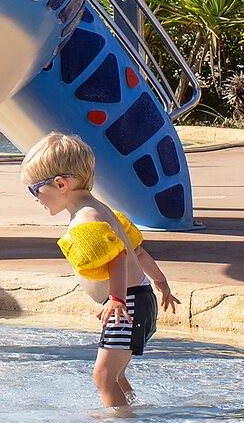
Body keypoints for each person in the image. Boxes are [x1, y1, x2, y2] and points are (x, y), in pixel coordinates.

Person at [20, 132, 180, 409]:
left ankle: (117, 417)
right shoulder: (102, 210)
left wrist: (116, 298)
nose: (35, 198)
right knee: (114, 375)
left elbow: (117, 257)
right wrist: (161, 282)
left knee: (103, 376)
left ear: (60, 184)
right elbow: (137, 251)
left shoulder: (86, 220)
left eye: (35, 190)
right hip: (137, 298)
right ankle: (129, 409)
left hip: (126, 303)